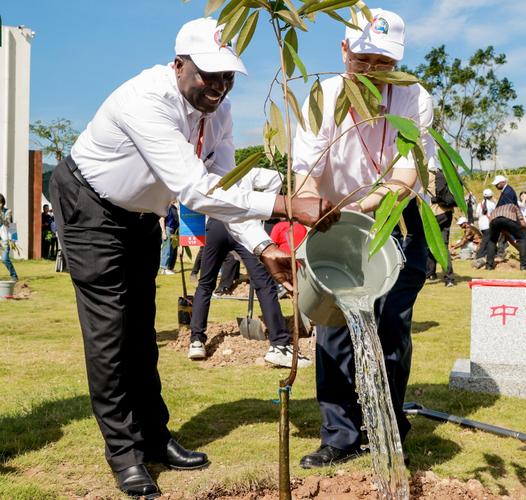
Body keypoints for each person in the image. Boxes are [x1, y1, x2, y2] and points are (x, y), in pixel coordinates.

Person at [48, 18, 338, 498]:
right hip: (90, 206)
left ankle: (155, 437)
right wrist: (287, 204)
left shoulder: (218, 115)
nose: (219, 88)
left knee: (141, 329)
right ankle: (124, 452)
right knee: (110, 332)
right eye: (209, 75)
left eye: (228, 77)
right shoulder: (145, 99)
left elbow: (226, 186)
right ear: (179, 64)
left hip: (140, 217)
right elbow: (194, 189)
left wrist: (263, 247)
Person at [292, 8, 435, 468]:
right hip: (336, 222)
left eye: (383, 63)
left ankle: (388, 425)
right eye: (363, 59)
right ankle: (339, 433)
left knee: (392, 325)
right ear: (343, 51)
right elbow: (306, 173)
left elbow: (409, 170)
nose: (373, 72)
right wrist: (314, 203)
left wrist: (370, 204)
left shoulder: (414, 96)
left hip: (396, 220)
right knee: (333, 328)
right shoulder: (324, 96)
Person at [188, 167, 311, 368]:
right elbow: (275, 177)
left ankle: (196, 340)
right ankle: (280, 344)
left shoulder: (210, 170)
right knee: (264, 284)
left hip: (217, 224)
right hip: (244, 224)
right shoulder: (247, 171)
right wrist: (259, 209)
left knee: (206, 283)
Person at [426, 169, 456, 286]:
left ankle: (430, 273)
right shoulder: (443, 173)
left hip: (434, 213)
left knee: (430, 243)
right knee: (443, 245)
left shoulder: (427, 174)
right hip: (447, 212)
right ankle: (449, 278)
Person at [485, 201, 526, 271]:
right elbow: (521, 220)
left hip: (493, 221)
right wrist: (522, 227)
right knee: (522, 238)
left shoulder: (496, 209)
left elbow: (492, 222)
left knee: (492, 241)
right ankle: (524, 265)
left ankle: (489, 266)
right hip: (508, 218)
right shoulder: (513, 205)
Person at [472, 188, 496, 269]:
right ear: (491, 196)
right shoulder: (492, 204)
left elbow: (477, 215)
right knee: (487, 241)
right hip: (489, 225)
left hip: (481, 225)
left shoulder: (479, 204)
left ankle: (482, 255)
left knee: (486, 240)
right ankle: (480, 255)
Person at [0, 194, 18, 281]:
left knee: (4, 259)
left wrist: (14, 239)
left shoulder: (8, 211)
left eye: (1, 203)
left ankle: (14, 275)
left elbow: (9, 224)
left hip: (5, 239)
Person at [159, 201, 179, 274]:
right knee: (167, 249)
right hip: (168, 229)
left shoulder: (174, 207)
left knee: (172, 250)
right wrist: (163, 232)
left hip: (174, 230)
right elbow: (162, 219)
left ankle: (169, 267)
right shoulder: (166, 206)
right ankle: (164, 269)